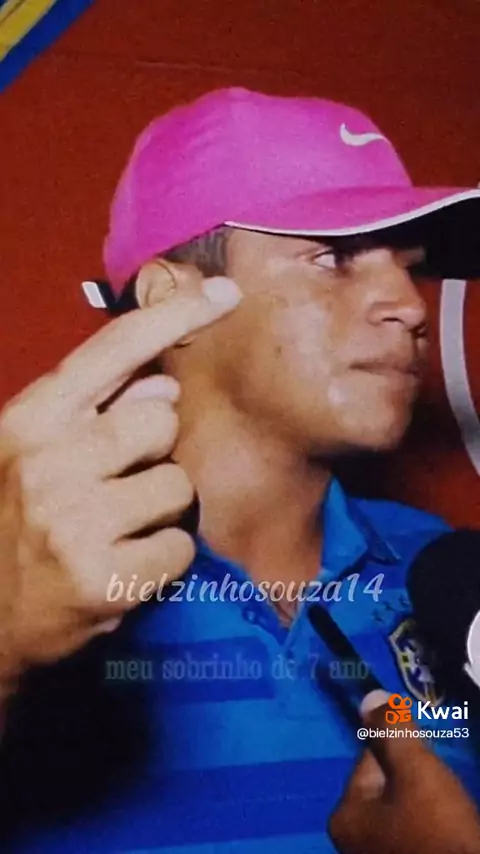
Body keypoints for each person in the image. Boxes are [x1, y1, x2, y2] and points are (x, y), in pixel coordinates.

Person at [0, 87, 480, 854]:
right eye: (334, 258)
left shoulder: (444, 579)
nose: (410, 307)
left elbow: (417, 735)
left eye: (409, 268)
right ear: (171, 300)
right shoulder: (31, 594)